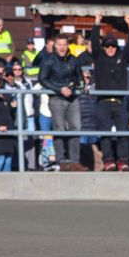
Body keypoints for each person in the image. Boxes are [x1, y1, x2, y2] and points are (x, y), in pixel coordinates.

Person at [89, 13, 129, 171]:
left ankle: (123, 161)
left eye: (113, 46)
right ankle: (108, 160)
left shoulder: (122, 57)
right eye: (107, 46)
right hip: (102, 102)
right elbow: (94, 42)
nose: (110, 48)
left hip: (119, 102)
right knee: (105, 134)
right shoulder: (99, 57)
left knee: (123, 133)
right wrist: (97, 22)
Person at [38, 35, 84, 167]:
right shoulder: (48, 60)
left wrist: (77, 86)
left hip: (73, 98)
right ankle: (61, 160)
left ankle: (75, 161)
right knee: (59, 128)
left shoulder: (74, 60)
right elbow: (42, 79)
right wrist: (59, 89)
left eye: (64, 45)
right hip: (56, 98)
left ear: (68, 45)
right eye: (59, 45)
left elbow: (79, 77)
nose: (62, 47)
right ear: (55, 46)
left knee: (76, 127)